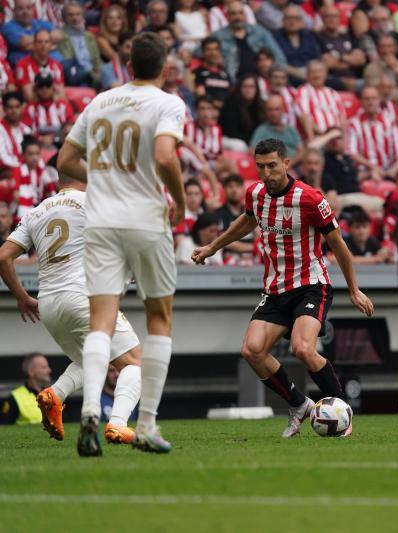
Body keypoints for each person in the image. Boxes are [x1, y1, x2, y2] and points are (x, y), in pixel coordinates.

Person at [57, 32, 188, 456]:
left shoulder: (100, 101)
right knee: (159, 318)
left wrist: (107, 180)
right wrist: (181, 203)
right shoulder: (168, 103)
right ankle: (146, 424)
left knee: (101, 321)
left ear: (128, 65)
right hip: (145, 219)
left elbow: (65, 161)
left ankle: (92, 410)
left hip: (100, 220)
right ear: (164, 68)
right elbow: (166, 156)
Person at [192, 138, 374, 438]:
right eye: (260, 166)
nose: (266, 173)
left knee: (302, 347)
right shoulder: (255, 194)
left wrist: (354, 289)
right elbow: (247, 221)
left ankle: (342, 412)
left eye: (272, 166)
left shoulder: (310, 199)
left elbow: (339, 247)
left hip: (311, 285)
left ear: (286, 163)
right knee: (252, 351)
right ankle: (300, 405)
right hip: (275, 289)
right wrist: (212, 247)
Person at [0, 176, 142, 444]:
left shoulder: (37, 211)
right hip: (84, 297)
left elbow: (3, 256)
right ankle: (118, 424)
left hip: (49, 304)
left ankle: (54, 395)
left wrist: (21, 297)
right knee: (133, 362)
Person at [212, 1, 286, 80]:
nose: (237, 17)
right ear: (227, 16)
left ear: (245, 15)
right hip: (234, 81)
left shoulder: (259, 31)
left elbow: (279, 57)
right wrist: (216, 58)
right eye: (233, 14)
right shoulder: (218, 36)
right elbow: (199, 51)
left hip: (261, 80)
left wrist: (275, 75)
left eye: (240, 13)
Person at [347, 85, 398, 180]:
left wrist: (391, 172)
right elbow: (352, 153)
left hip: (388, 170)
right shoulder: (354, 123)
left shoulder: (389, 122)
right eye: (367, 99)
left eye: (374, 98)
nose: (371, 102)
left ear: (379, 100)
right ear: (361, 102)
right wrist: (373, 167)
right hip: (364, 171)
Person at [58, 1, 102, 87]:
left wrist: (98, 72)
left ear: (82, 16)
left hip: (92, 73)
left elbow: (97, 59)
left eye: (78, 14)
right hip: (75, 74)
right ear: (64, 18)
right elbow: (68, 60)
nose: (75, 18)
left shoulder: (89, 36)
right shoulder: (61, 36)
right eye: (70, 15)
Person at [0, 353, 51, 425]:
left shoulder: (53, 394)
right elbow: (4, 428)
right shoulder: (15, 397)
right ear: (31, 372)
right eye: (44, 367)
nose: (49, 370)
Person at [15, 29, 64, 102]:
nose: (43, 45)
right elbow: (29, 97)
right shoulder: (22, 65)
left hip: (53, 107)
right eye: (40, 42)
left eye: (46, 42)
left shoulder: (57, 65)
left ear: (51, 45)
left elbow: (61, 95)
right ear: (33, 45)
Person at [250, 94, 302, 159]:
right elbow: (252, 151)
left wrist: (288, 165)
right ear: (266, 112)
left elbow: (301, 151)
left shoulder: (291, 130)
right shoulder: (261, 130)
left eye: (277, 109)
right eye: (270, 109)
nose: (273, 113)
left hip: (294, 165)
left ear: (283, 110)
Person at [192, 36, 232, 108]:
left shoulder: (225, 73)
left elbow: (231, 94)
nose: (212, 53)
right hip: (209, 112)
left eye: (215, 49)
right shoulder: (198, 73)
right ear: (203, 52)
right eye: (208, 49)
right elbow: (201, 95)